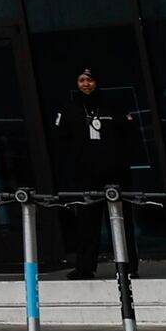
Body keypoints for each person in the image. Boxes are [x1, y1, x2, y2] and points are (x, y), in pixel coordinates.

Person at [49, 68, 138, 278]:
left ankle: (128, 266)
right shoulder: (70, 109)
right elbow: (61, 140)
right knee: (87, 222)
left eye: (89, 80)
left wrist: (122, 160)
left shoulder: (113, 106)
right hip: (85, 174)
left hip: (115, 173)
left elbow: (129, 134)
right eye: (81, 80)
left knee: (120, 220)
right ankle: (85, 267)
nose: (85, 84)